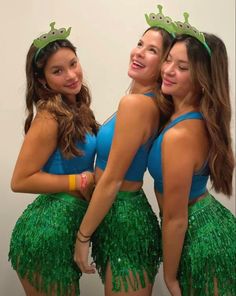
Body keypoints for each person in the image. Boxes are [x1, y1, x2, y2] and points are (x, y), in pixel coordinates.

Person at [74, 6, 175, 296]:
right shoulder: (142, 99)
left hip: (125, 220)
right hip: (119, 215)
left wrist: (82, 238)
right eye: (140, 43)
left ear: (165, 65)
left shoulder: (137, 105)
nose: (139, 52)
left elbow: (112, 180)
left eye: (152, 50)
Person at [148, 13, 236, 296]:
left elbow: (175, 218)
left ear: (201, 79)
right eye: (169, 59)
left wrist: (170, 278)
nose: (168, 70)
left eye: (182, 66)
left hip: (201, 239)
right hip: (204, 226)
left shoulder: (180, 135)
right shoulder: (186, 116)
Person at [8, 22, 98, 296]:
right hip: (46, 233)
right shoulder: (48, 116)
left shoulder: (75, 106)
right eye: (57, 71)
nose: (71, 75)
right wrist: (80, 179)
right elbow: (20, 180)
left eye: (73, 64)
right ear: (42, 80)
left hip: (64, 230)